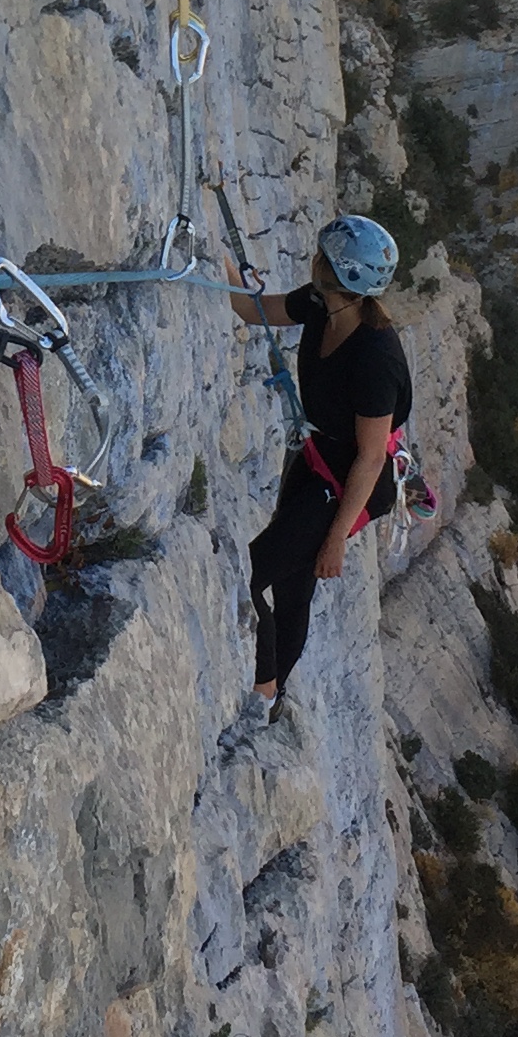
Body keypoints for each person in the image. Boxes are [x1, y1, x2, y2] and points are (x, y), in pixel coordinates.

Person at [226, 213, 410, 735]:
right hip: (319, 459)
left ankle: (265, 689)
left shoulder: (375, 358)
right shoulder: (318, 303)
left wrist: (335, 539)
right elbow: (253, 310)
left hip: (353, 482)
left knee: (249, 573)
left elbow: (370, 458)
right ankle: (276, 687)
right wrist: (216, 258)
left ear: (336, 272)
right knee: (292, 585)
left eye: (322, 256)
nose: (313, 259)